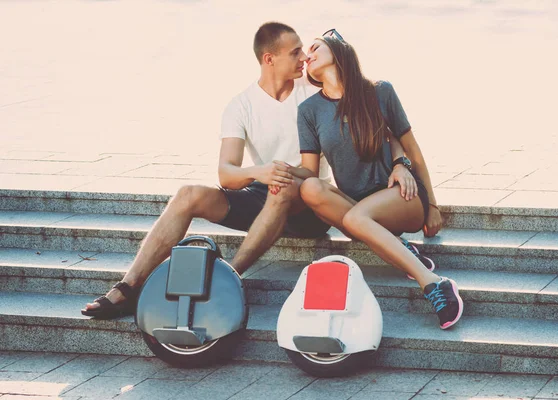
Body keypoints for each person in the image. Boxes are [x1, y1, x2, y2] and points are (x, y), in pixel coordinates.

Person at [81, 22, 332, 318]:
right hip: (263, 194)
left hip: (308, 206)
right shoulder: (240, 105)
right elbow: (226, 173)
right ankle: (128, 287)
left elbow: (349, 76)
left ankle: (228, 279)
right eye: (295, 52)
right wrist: (259, 172)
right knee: (188, 195)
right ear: (269, 59)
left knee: (282, 186)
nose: (303, 57)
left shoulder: (312, 91)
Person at [295, 29, 463, 329]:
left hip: (401, 195)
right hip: (357, 208)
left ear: (338, 50)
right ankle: (402, 250)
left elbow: (413, 149)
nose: (308, 54)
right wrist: (271, 176)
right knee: (310, 187)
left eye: (315, 46)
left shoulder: (379, 91)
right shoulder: (308, 110)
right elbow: (308, 171)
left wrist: (432, 204)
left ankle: (434, 283)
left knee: (357, 219)